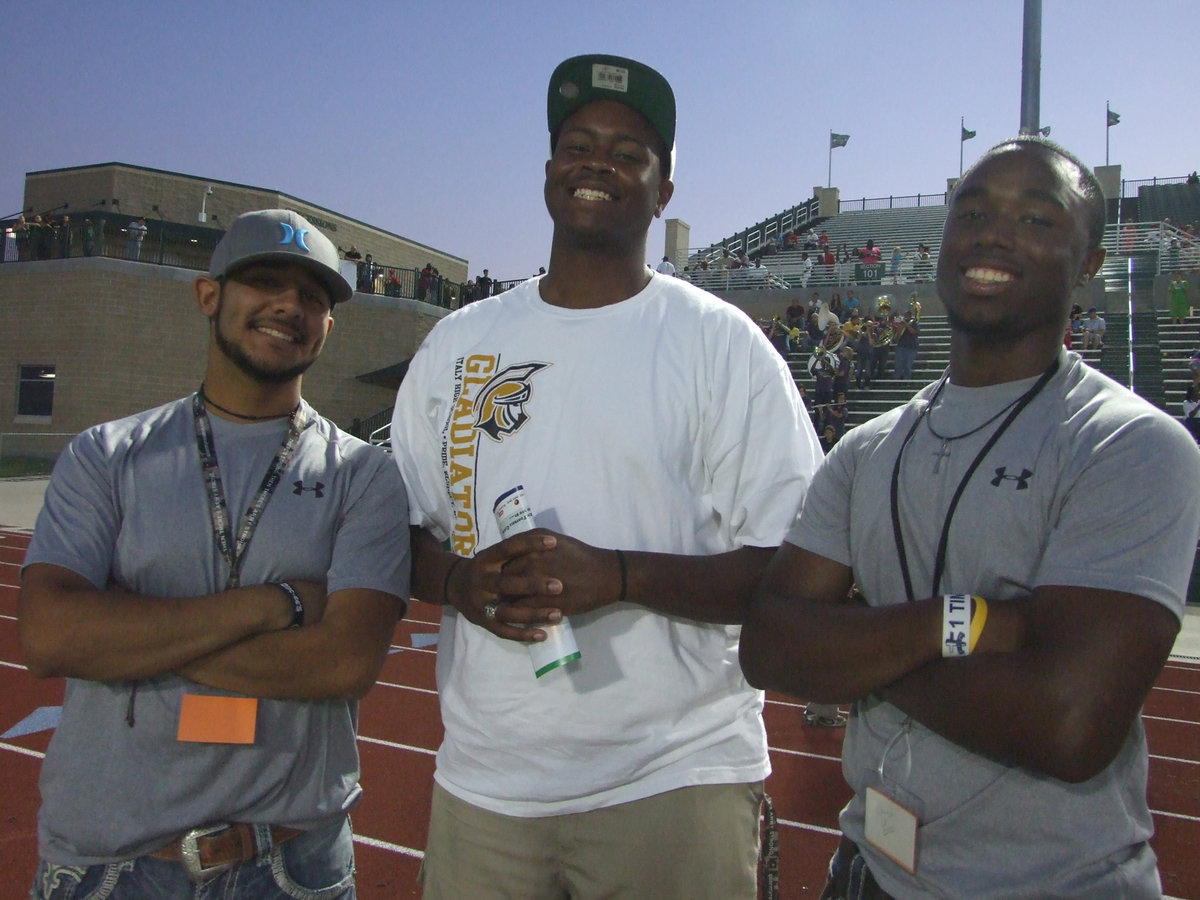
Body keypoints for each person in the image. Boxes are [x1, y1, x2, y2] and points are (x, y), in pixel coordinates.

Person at [389, 53, 821, 899]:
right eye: (579, 144)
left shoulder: (720, 344)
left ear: (664, 191)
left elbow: (796, 569)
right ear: (549, 171)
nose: (599, 164)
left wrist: (620, 577)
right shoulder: (459, 343)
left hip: (674, 780)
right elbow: (400, 531)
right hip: (487, 784)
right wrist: (463, 584)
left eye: (629, 153)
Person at [740, 138, 1200, 898]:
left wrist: (858, 646)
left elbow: (1069, 723)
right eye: (975, 212)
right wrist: (965, 624)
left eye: (1037, 219)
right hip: (865, 873)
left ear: (1089, 263)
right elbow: (768, 645)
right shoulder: (864, 450)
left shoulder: (1130, 445)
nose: (994, 231)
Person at [18, 209, 410, 899]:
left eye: (313, 297)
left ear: (328, 326)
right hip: (111, 869)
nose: (289, 304)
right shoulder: (107, 456)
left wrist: (124, 633)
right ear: (210, 296)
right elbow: (51, 637)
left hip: (293, 867)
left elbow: (343, 663)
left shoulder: (363, 475)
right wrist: (276, 604)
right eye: (263, 281)